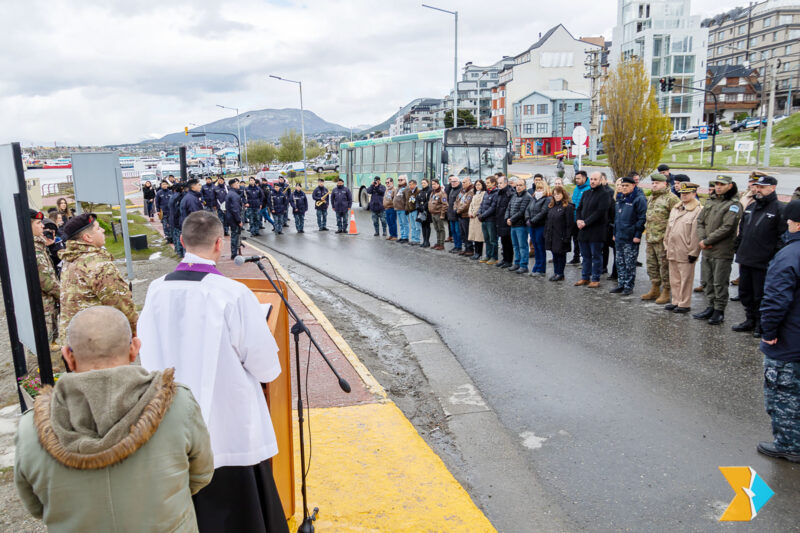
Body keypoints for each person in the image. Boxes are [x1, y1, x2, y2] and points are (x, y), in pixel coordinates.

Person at [137, 211, 289, 532]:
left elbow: (145, 353)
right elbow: (265, 367)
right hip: (229, 430)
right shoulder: (232, 293)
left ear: (181, 241)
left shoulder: (154, 290)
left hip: (172, 427)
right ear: (219, 243)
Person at [14, 306, 214, 532]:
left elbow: (36, 505)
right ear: (134, 348)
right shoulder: (178, 406)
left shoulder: (32, 429)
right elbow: (201, 474)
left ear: (68, 356)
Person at [756, 199, 800, 463]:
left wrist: (769, 330)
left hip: (789, 339)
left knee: (783, 393)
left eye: (790, 220)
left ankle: (789, 444)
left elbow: (776, 299)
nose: (787, 224)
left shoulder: (789, 255)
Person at [58, 213, 138, 342]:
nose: (103, 230)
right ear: (88, 237)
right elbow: (121, 304)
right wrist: (135, 333)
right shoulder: (99, 264)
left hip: (73, 341)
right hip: (96, 344)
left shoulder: (71, 259)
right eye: (98, 228)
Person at [732, 175, 786, 336]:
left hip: (764, 262)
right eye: (757, 186)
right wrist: (738, 248)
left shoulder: (779, 209)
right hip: (746, 258)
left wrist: (774, 258)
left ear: (772, 188)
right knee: (745, 293)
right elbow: (742, 231)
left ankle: (761, 324)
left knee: (760, 295)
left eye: (762, 187)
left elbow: (781, 238)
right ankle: (750, 319)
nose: (758, 190)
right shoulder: (751, 207)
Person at [693, 175, 741, 325]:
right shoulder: (711, 201)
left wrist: (708, 240)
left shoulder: (734, 204)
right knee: (707, 280)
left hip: (721, 249)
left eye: (722, 184)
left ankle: (719, 310)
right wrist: (702, 240)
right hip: (707, 248)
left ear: (730, 186)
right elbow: (700, 221)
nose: (718, 187)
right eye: (717, 184)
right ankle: (710, 306)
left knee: (719, 282)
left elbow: (728, 227)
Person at [663, 182, 703, 313]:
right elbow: (669, 229)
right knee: (674, 278)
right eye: (682, 193)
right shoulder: (676, 208)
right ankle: (676, 301)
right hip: (673, 248)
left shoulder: (698, 210)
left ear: (694, 194)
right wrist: (666, 244)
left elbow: (696, 234)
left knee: (685, 279)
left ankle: (684, 304)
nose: (684, 196)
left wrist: (694, 252)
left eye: (687, 193)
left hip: (685, 250)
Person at [641, 173, 680, 303]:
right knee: (652, 265)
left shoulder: (671, 199)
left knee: (664, 267)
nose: (654, 185)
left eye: (657, 183)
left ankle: (667, 291)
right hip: (651, 237)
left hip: (663, 240)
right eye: (653, 183)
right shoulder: (652, 197)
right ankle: (655, 288)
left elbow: (676, 220)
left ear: (665, 184)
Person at [609, 176, 647, 295]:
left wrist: (637, 235)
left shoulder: (638, 199)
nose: (624, 188)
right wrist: (615, 233)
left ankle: (628, 286)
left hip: (631, 237)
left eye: (627, 186)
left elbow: (641, 219)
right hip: (619, 236)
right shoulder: (621, 198)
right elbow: (617, 218)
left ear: (633, 186)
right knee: (620, 262)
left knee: (629, 263)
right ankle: (621, 284)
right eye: (623, 185)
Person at [575, 172, 611, 288]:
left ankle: (595, 278)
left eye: (595, 179)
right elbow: (579, 208)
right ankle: (585, 277)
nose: (593, 181)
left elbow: (600, 212)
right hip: (583, 230)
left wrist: (586, 222)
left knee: (596, 256)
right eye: (591, 179)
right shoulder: (586, 193)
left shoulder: (604, 194)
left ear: (601, 180)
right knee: (585, 256)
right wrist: (578, 220)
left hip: (596, 230)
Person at [31, 210, 60, 347]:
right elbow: (46, 282)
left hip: (48, 306)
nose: (42, 226)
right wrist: (64, 295)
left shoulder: (39, 246)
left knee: (49, 345)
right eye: (38, 223)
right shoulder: (34, 250)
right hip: (42, 308)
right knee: (41, 350)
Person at [544, 185, 574, 281]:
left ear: (563, 194)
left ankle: (560, 273)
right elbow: (548, 221)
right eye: (555, 194)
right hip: (552, 235)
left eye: (558, 194)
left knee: (561, 255)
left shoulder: (567, 207)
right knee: (554, 255)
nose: (556, 196)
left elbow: (570, 224)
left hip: (561, 235)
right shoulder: (551, 206)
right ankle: (556, 272)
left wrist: (567, 237)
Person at [505, 178, 532, 273]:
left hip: (521, 225)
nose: (518, 187)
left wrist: (511, 219)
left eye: (520, 185)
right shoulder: (514, 196)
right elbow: (509, 207)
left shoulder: (527, 197)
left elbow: (522, 211)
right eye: (517, 185)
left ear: (525, 186)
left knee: (522, 246)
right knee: (515, 246)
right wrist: (507, 218)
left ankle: (524, 265)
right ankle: (516, 263)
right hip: (513, 225)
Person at [525, 181, 550, 276]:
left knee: (540, 247)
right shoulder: (533, 198)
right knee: (535, 247)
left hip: (540, 226)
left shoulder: (547, 199)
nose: (539, 190)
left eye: (541, 188)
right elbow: (528, 209)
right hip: (532, 226)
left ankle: (541, 269)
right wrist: (527, 218)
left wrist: (532, 220)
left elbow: (543, 212)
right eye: (537, 188)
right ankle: (536, 267)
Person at [570, 171, 590, 264]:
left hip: (583, 220)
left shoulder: (588, 189)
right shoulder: (576, 189)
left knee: (583, 241)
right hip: (574, 218)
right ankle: (576, 257)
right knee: (575, 239)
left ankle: (585, 260)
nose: (576, 180)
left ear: (584, 178)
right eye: (576, 178)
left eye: (578, 178)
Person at [478, 176, 499, 263]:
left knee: (493, 239)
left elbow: (492, 208)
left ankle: (494, 257)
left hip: (491, 220)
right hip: (484, 220)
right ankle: (488, 255)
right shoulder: (486, 193)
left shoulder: (496, 193)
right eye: (486, 183)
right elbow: (482, 204)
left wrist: (483, 215)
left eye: (488, 183)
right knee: (486, 239)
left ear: (494, 183)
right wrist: (479, 213)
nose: (486, 184)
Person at [599, 173, 617, 279]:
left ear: (605, 180)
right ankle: (602, 266)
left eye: (601, 179)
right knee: (602, 247)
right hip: (600, 224)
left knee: (607, 247)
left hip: (608, 224)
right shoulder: (596, 191)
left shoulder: (610, 192)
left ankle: (608, 268)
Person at [495, 175, 515, 268]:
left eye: (501, 183)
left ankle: (509, 260)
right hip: (500, 219)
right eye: (498, 183)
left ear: (506, 183)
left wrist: (508, 218)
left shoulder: (510, 193)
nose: (499, 185)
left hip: (506, 220)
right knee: (503, 241)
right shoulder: (499, 193)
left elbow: (510, 208)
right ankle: (504, 259)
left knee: (508, 242)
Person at [455, 178, 475, 256]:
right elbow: (457, 201)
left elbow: (467, 204)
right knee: (462, 233)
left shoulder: (471, 192)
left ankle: (470, 249)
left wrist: (458, 210)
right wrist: (455, 208)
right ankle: (466, 248)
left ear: (469, 182)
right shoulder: (462, 191)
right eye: (462, 182)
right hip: (460, 214)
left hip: (466, 215)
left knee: (467, 233)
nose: (463, 184)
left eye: (465, 182)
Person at [225, 178, 244, 258]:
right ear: (233, 185)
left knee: (234, 235)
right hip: (234, 219)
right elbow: (235, 209)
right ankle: (234, 254)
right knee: (235, 236)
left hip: (230, 218)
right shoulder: (234, 195)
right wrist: (239, 220)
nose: (238, 185)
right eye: (237, 183)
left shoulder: (230, 193)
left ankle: (234, 252)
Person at [427, 179, 449, 250]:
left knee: (441, 229)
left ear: (438, 184)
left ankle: (441, 244)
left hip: (439, 214)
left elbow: (445, 204)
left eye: (435, 184)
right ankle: (438, 242)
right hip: (433, 214)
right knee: (437, 229)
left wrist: (442, 214)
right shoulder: (432, 193)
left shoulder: (442, 193)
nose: (433, 185)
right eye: (432, 184)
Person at [467, 179, 485, 260]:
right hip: (472, 218)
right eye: (476, 185)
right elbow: (471, 205)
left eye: (479, 185)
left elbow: (480, 206)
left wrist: (473, 213)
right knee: (474, 236)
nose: (477, 186)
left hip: (478, 217)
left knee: (479, 236)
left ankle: (479, 253)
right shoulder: (475, 194)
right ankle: (475, 252)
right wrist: (470, 212)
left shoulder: (483, 194)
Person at [445, 175, 462, 252]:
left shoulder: (460, 190)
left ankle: (459, 246)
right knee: (453, 231)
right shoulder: (452, 190)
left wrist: (456, 211)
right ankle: (455, 245)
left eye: (454, 181)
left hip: (457, 215)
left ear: (458, 182)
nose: (453, 183)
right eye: (451, 182)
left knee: (458, 231)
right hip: (451, 214)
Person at [169, 183, 186, 258]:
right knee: (180, 237)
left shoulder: (173, 196)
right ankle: (181, 253)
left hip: (173, 219)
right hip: (178, 219)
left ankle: (178, 252)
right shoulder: (179, 197)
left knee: (176, 236)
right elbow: (178, 210)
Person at [404, 179, 421, 245]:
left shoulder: (418, 191)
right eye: (409, 184)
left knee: (417, 226)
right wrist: (407, 209)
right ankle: (413, 239)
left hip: (415, 210)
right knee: (413, 226)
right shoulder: (409, 192)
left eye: (411, 184)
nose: (410, 186)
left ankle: (417, 239)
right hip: (410, 211)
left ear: (415, 184)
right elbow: (407, 202)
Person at [417, 178, 432, 248]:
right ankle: (424, 240)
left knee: (427, 226)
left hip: (427, 211)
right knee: (423, 225)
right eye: (422, 183)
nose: (423, 184)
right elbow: (417, 199)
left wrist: (423, 207)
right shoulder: (421, 191)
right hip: (421, 211)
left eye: (424, 183)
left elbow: (429, 200)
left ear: (428, 183)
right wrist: (418, 206)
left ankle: (427, 241)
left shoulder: (430, 190)